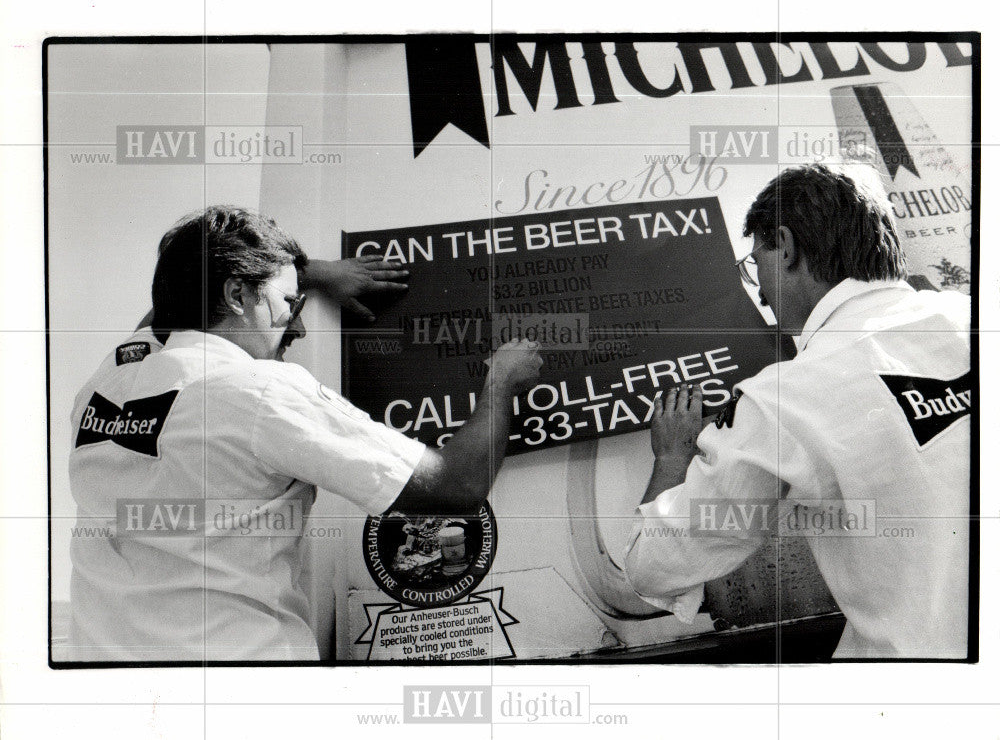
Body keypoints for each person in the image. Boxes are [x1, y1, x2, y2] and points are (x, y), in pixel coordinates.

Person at [68, 205, 542, 661]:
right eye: (291, 304)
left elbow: (162, 315)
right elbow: (454, 486)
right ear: (236, 295)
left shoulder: (107, 383)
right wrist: (501, 382)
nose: (298, 328)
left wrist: (304, 272)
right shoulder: (258, 391)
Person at [623, 163, 971, 659]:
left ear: (784, 247)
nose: (759, 290)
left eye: (755, 262)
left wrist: (672, 459)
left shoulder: (783, 399)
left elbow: (651, 564)